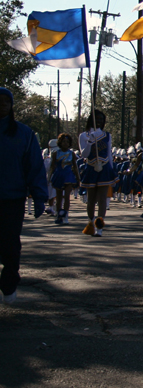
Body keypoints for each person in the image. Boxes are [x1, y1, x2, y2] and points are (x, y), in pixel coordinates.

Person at [0, 88, 48, 305]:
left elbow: (35, 167)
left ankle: (9, 283)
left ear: (11, 106)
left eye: (5, 102)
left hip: (12, 198)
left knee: (10, 245)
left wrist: (39, 196)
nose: (1, 105)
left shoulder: (24, 134)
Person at [79, 109, 118, 237]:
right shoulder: (84, 135)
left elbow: (109, 154)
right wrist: (90, 141)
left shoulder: (107, 135)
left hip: (104, 168)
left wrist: (111, 169)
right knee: (91, 200)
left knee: (102, 199)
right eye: (98, 119)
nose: (100, 122)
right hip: (91, 167)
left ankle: (99, 227)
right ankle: (90, 222)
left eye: (102, 120)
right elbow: (84, 154)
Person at [48, 133, 79, 225]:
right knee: (59, 197)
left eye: (67, 142)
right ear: (60, 143)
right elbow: (52, 167)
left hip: (68, 175)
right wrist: (49, 177)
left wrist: (78, 178)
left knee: (67, 197)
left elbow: (75, 166)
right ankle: (58, 215)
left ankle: (66, 215)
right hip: (58, 175)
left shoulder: (71, 153)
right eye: (63, 142)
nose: (65, 143)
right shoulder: (55, 154)